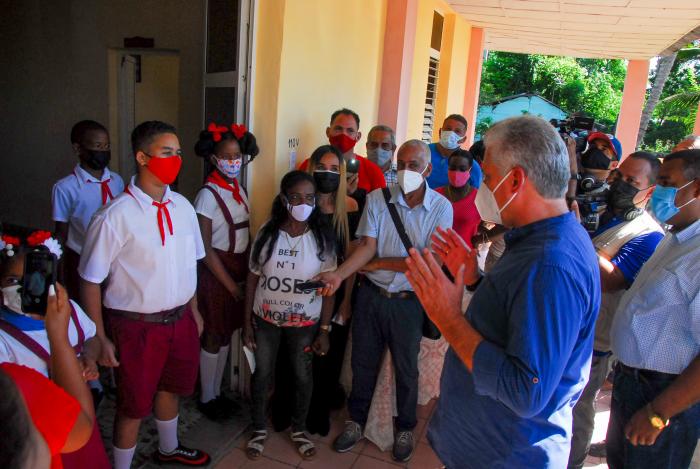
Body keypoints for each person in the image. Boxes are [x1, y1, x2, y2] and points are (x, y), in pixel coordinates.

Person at [404, 115, 601, 468]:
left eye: (489, 178)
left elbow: (525, 391)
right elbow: (517, 319)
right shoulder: (538, 241)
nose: (483, 188)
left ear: (515, 181)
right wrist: (475, 279)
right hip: (486, 445)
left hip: (507, 455)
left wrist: (447, 319)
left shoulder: (550, 263)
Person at [79, 121, 210, 468]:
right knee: (133, 404)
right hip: (136, 327)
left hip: (179, 319)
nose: (176, 159)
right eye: (167, 153)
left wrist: (194, 310)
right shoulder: (114, 216)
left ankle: (168, 448)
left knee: (171, 389)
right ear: (142, 157)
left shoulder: (183, 208)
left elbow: (191, 264)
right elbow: (90, 281)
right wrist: (98, 337)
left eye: (178, 153)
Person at [318, 140, 453, 462]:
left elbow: (429, 262)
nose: (407, 171)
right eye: (402, 164)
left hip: (409, 301)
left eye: (415, 165)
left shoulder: (440, 208)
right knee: (362, 363)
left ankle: (404, 428)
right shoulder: (378, 199)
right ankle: (356, 421)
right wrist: (338, 275)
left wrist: (378, 263)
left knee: (407, 370)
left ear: (428, 170)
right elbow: (366, 246)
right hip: (371, 297)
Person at [567, 152, 664, 469]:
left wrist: (573, 231)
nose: (621, 185)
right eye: (619, 176)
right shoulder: (599, 209)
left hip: (595, 338)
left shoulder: (648, 235)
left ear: (648, 191)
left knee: (578, 407)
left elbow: (610, 279)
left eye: (632, 182)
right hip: (564, 322)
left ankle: (573, 462)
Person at [606, 149, 700, 469]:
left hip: (663, 396)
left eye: (666, 182)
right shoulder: (674, 238)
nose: (657, 192)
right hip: (632, 384)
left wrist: (659, 414)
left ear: (697, 189)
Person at [243, 170, 337, 461]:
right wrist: (247, 322)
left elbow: (330, 286)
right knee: (262, 374)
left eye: (309, 197)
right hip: (266, 320)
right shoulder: (268, 231)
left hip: (305, 324)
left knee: (302, 375)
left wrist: (324, 329)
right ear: (284, 199)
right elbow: (252, 278)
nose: (303, 203)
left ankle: (299, 429)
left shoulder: (323, 237)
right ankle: (259, 428)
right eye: (295, 197)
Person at [0, 236, 109, 469]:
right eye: (11, 279)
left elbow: (91, 338)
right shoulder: (3, 337)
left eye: (30, 279)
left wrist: (89, 356)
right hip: (40, 427)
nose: (21, 287)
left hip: (73, 415)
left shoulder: (66, 310)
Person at [192, 122, 259, 420]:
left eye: (237, 155)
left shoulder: (238, 189)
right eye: (226, 156)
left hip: (238, 268)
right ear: (212, 158)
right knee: (212, 334)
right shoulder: (207, 195)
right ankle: (207, 397)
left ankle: (217, 392)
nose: (233, 161)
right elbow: (204, 247)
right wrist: (231, 285)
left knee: (224, 335)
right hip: (216, 272)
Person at [52, 120, 124, 299]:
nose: (103, 151)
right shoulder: (66, 187)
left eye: (107, 146)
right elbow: (61, 232)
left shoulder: (117, 181)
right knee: (86, 305)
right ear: (78, 149)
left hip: (116, 257)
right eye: (97, 146)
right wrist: (59, 276)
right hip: (82, 257)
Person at [299, 108, 386, 208]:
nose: (343, 135)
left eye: (350, 130)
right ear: (328, 132)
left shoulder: (373, 171)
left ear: (358, 136)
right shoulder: (309, 165)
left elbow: (379, 212)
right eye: (338, 129)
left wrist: (353, 195)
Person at [436, 149, 481, 247]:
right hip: (436, 255)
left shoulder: (479, 198)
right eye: (453, 168)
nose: (456, 172)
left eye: (462, 169)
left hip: (464, 256)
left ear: (470, 169)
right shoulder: (435, 195)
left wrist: (480, 239)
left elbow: (503, 224)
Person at [426, 114, 482, 190]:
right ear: (440, 132)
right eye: (448, 129)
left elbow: (474, 196)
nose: (451, 133)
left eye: (457, 131)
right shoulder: (423, 152)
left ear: (463, 139)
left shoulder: (470, 165)